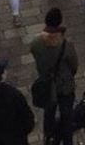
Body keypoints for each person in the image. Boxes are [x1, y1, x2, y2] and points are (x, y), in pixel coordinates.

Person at [30, 8, 79, 145]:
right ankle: (67, 140)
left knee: (49, 113)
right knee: (66, 114)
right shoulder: (66, 44)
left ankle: (49, 138)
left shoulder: (36, 43)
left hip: (46, 85)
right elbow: (74, 65)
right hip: (65, 85)